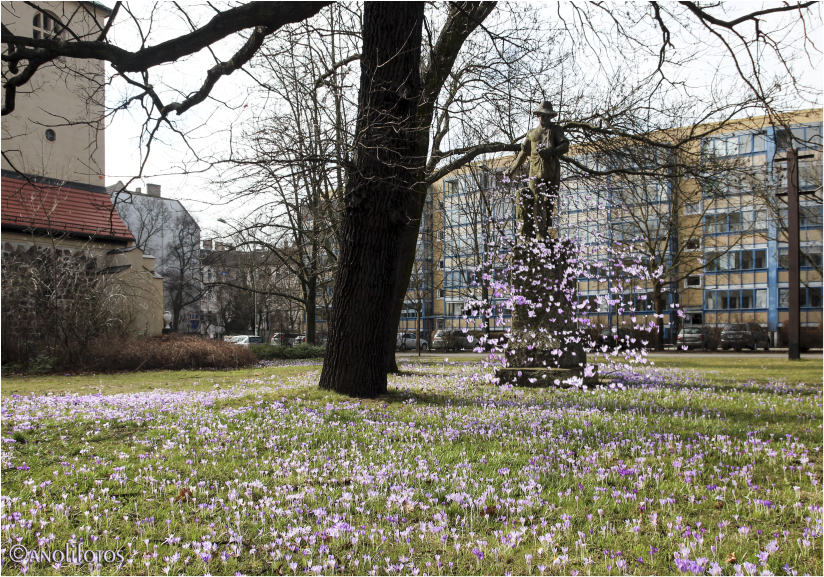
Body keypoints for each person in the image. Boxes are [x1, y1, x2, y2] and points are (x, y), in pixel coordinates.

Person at [506, 101, 569, 239]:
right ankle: (540, 233)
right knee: (537, 200)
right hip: (535, 171)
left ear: (551, 117)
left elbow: (565, 146)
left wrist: (552, 151)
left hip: (552, 171)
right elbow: (523, 154)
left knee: (550, 201)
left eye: (547, 116)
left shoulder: (556, 130)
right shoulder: (532, 134)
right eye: (542, 116)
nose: (544, 119)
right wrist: (512, 169)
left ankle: (545, 229)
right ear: (538, 116)